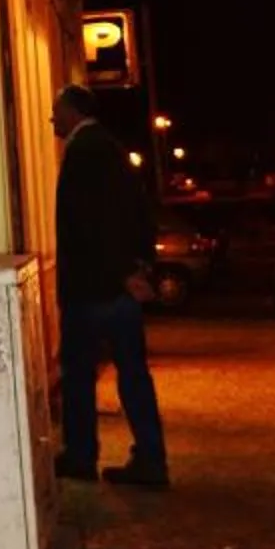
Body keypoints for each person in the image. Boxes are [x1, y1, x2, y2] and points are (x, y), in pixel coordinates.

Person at [51, 83, 170, 490]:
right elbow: (137, 212)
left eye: (56, 111)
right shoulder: (113, 150)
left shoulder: (84, 154)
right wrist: (140, 267)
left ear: (72, 112)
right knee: (133, 373)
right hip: (118, 286)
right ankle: (150, 456)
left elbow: (90, 223)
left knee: (79, 374)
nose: (52, 119)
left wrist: (120, 270)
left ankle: (81, 454)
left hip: (92, 287)